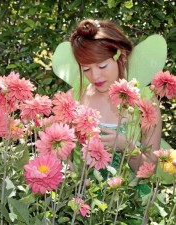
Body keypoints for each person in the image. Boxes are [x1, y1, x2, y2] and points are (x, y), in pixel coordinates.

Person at [69, 19, 162, 172]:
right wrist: (65, 162)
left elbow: (150, 170)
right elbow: (62, 153)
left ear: (122, 56)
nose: (95, 76)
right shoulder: (74, 98)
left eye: (102, 66)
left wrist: (126, 147)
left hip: (130, 194)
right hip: (80, 193)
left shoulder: (145, 102)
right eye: (86, 69)